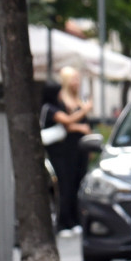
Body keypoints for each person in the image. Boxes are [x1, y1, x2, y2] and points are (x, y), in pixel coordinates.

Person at [42, 68, 92, 234]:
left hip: (79, 149)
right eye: (74, 78)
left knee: (77, 183)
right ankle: (65, 222)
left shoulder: (76, 100)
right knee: (65, 185)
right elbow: (67, 122)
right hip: (63, 150)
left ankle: (75, 220)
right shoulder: (55, 105)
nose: (77, 82)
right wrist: (84, 113)